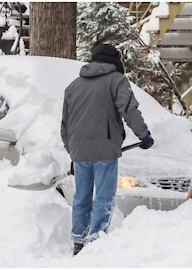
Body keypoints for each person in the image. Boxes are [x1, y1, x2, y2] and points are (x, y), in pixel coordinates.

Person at [60, 44, 154, 255]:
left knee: (81, 196)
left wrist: (72, 151)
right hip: (105, 150)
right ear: (115, 61)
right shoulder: (117, 81)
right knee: (103, 196)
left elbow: (65, 124)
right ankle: (96, 240)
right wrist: (144, 135)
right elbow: (129, 110)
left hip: (79, 152)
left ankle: (78, 240)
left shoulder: (73, 86)